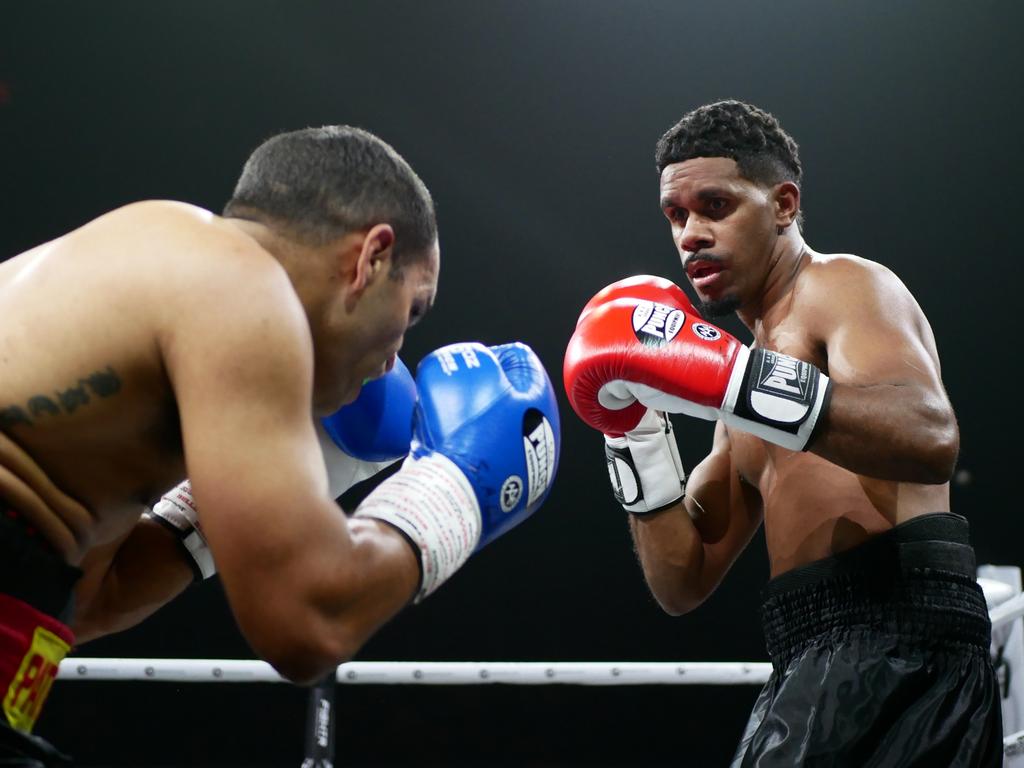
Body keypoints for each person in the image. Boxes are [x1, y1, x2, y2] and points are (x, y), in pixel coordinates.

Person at [0, 125, 561, 765]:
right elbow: (306, 622)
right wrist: (456, 484)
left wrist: (256, 493)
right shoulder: (241, 285)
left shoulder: (151, 277)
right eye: (411, 313)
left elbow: (94, 596)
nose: (391, 361)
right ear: (371, 258)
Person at [563, 100, 1000, 766]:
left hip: (903, 643)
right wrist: (632, 430)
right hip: (810, 651)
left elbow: (928, 436)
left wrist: (735, 382)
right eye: (676, 215)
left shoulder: (846, 287)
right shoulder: (740, 395)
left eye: (715, 206)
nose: (690, 235)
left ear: (784, 204)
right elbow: (682, 581)